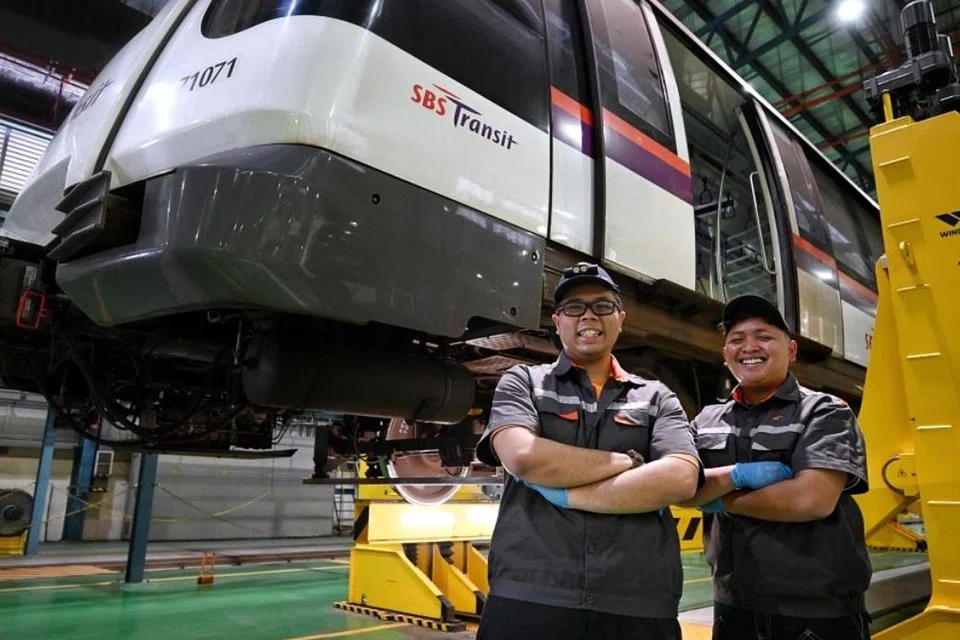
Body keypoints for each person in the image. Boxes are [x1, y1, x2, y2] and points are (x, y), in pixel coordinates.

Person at [474, 262, 747, 639]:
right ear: (557, 321)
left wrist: (567, 491)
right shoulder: (523, 382)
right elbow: (523, 456)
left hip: (635, 600)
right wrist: (626, 462)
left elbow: (682, 478)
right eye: (574, 307)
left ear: (621, 319)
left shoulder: (656, 397)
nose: (588, 315)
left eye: (603, 306)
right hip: (531, 594)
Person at [681, 293, 872, 640]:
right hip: (733, 607)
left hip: (816, 612)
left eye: (764, 336)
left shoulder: (824, 411)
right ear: (725, 355)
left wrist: (719, 498)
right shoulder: (707, 420)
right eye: (737, 339)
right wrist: (735, 476)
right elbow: (680, 487)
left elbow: (811, 500)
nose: (749, 347)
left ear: (792, 350)